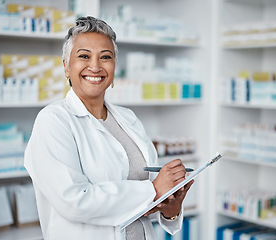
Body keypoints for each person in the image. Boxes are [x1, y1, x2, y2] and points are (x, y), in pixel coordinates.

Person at [24, 16, 194, 240]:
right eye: (84, 56)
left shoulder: (128, 118)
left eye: (105, 57)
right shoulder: (53, 120)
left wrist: (170, 207)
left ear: (114, 68)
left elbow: (142, 204)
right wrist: (153, 190)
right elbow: (74, 201)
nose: (95, 66)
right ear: (66, 67)